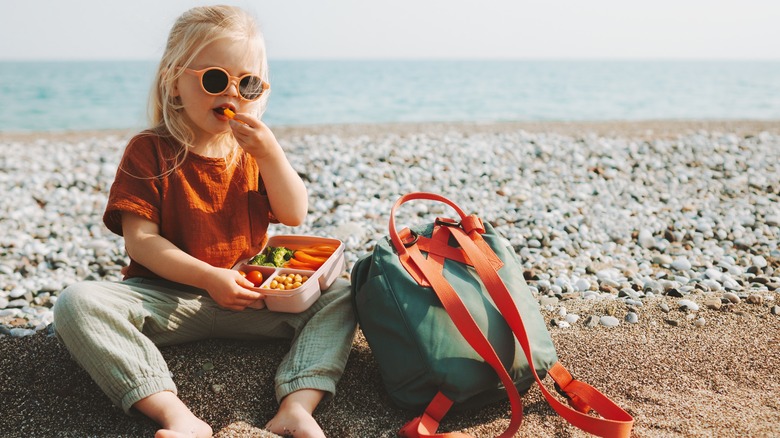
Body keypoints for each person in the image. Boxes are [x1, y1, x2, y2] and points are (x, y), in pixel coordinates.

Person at [52, 6, 356, 438]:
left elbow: (294, 213)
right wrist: (210, 277)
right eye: (215, 79)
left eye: (247, 84)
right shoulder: (150, 150)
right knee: (77, 302)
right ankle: (175, 415)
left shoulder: (253, 152)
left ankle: (297, 405)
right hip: (164, 300)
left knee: (342, 293)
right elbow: (141, 242)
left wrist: (271, 155)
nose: (231, 94)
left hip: (252, 298)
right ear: (175, 81)